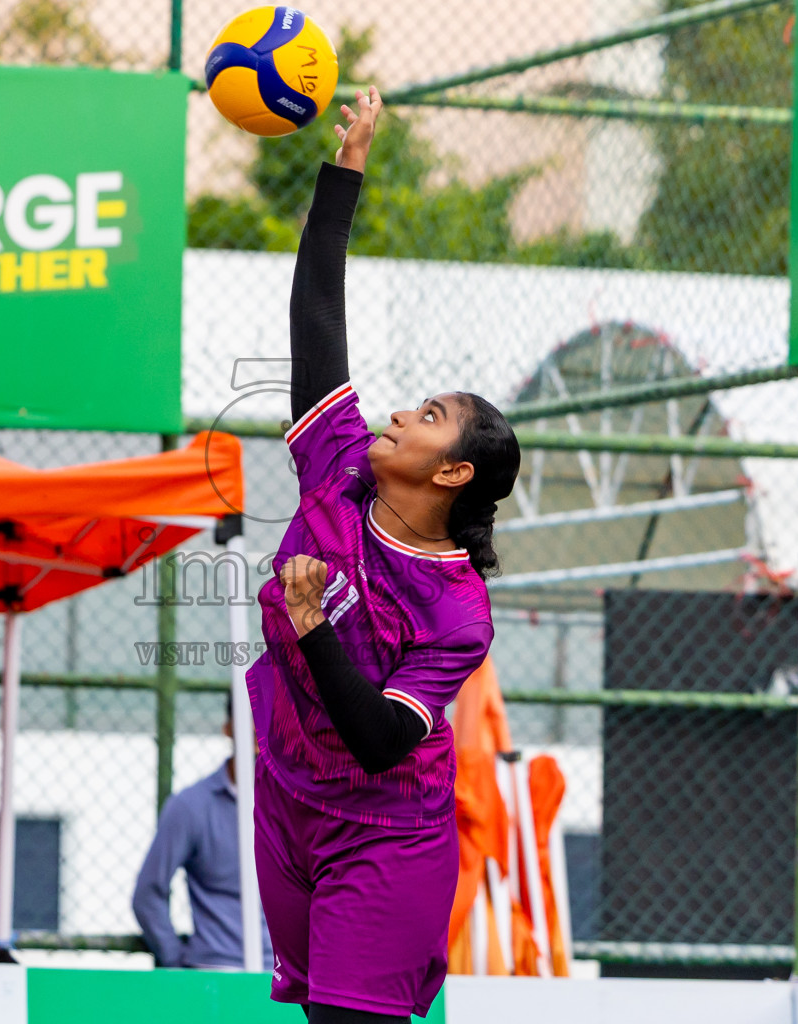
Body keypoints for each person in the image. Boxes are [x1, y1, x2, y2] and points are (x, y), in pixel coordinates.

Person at [244, 87, 521, 1024]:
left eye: (429, 417)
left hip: (385, 831)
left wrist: (316, 623)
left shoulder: (457, 611)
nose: (400, 413)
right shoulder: (338, 468)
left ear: (451, 474)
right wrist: (343, 174)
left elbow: (378, 738)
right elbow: (317, 314)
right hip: (288, 798)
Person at [131, 696, 272, 970]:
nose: (259, 727)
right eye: (251, 717)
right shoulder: (190, 806)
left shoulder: (304, 804)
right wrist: (175, 961)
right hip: (214, 972)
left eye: (270, 717)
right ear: (228, 728)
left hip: (290, 978)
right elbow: (147, 894)